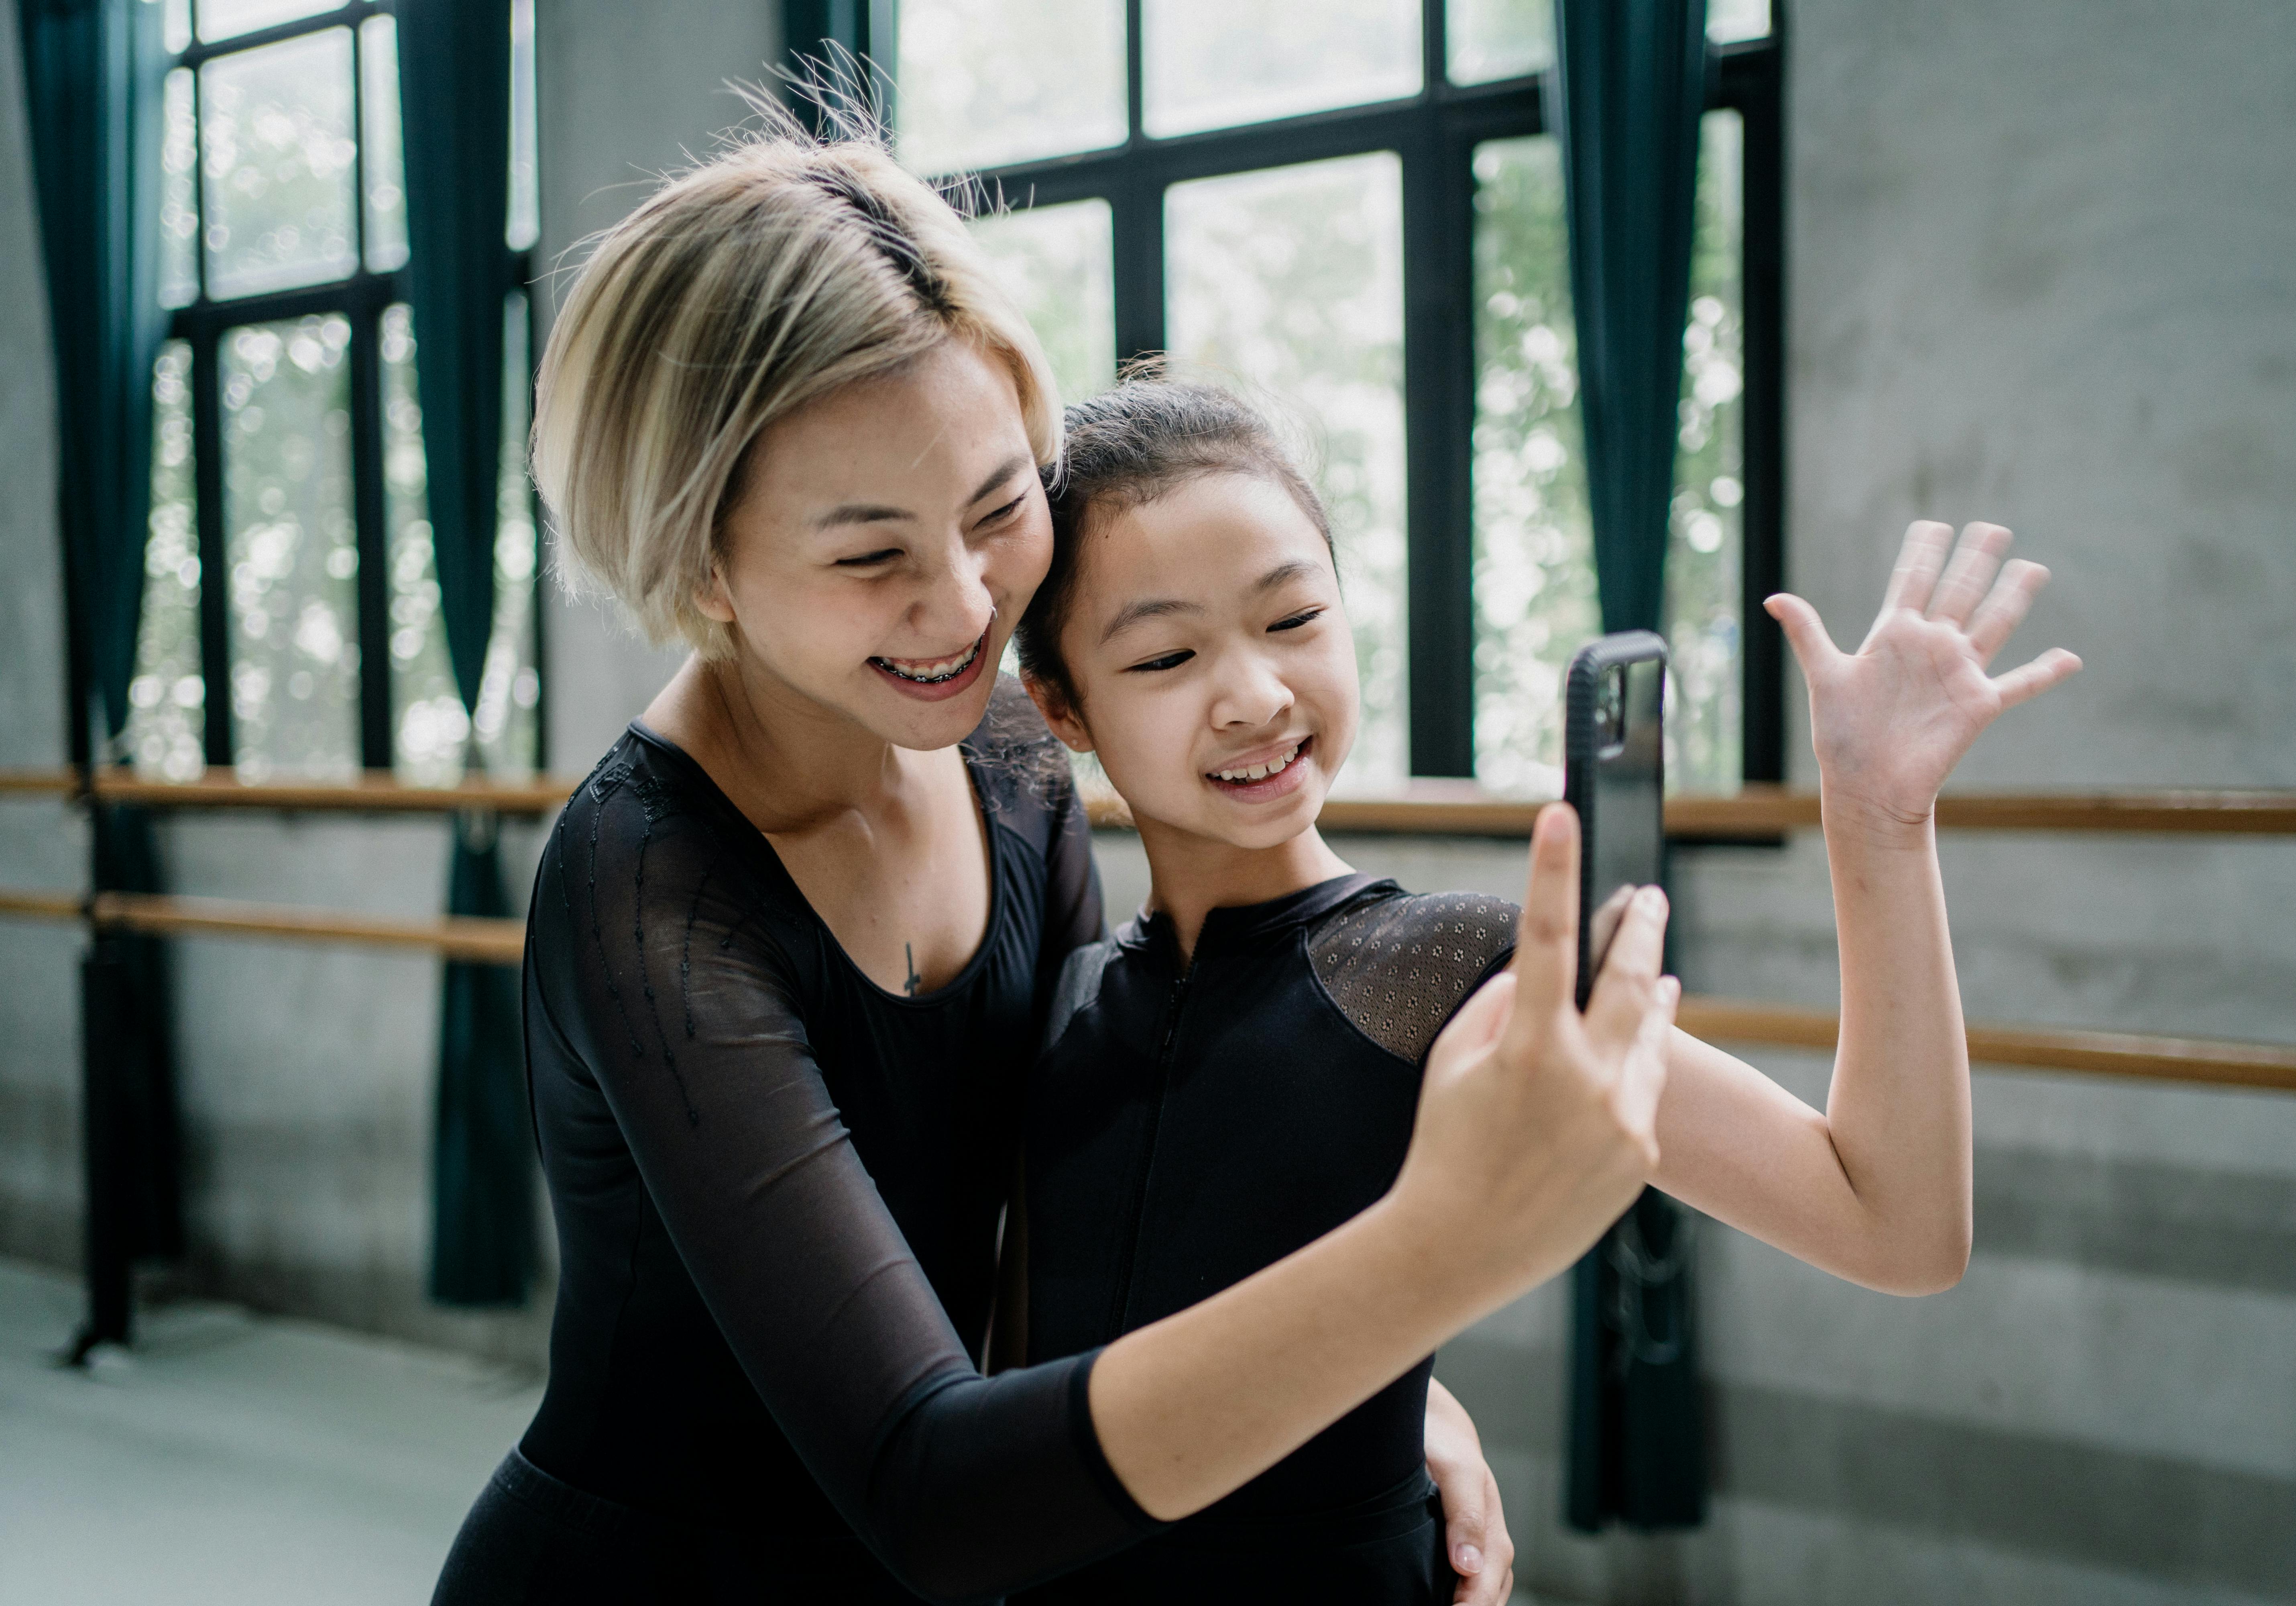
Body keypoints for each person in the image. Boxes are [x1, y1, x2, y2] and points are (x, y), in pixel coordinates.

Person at [432, 116, 1680, 1606]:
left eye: (999, 503)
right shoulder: (648, 897)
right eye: (869, 555)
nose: (964, 605)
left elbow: (1078, 1248)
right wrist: (1442, 1251)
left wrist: (1396, 1395)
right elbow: (931, 1489)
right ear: (704, 561)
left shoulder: (1010, 755)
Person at [1001, 376, 2083, 1600]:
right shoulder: (1060, 991)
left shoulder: (1438, 970)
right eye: (1165, 654)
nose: (1254, 692)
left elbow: (1895, 1225)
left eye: (1294, 618)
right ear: (1061, 704)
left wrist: (1882, 822)